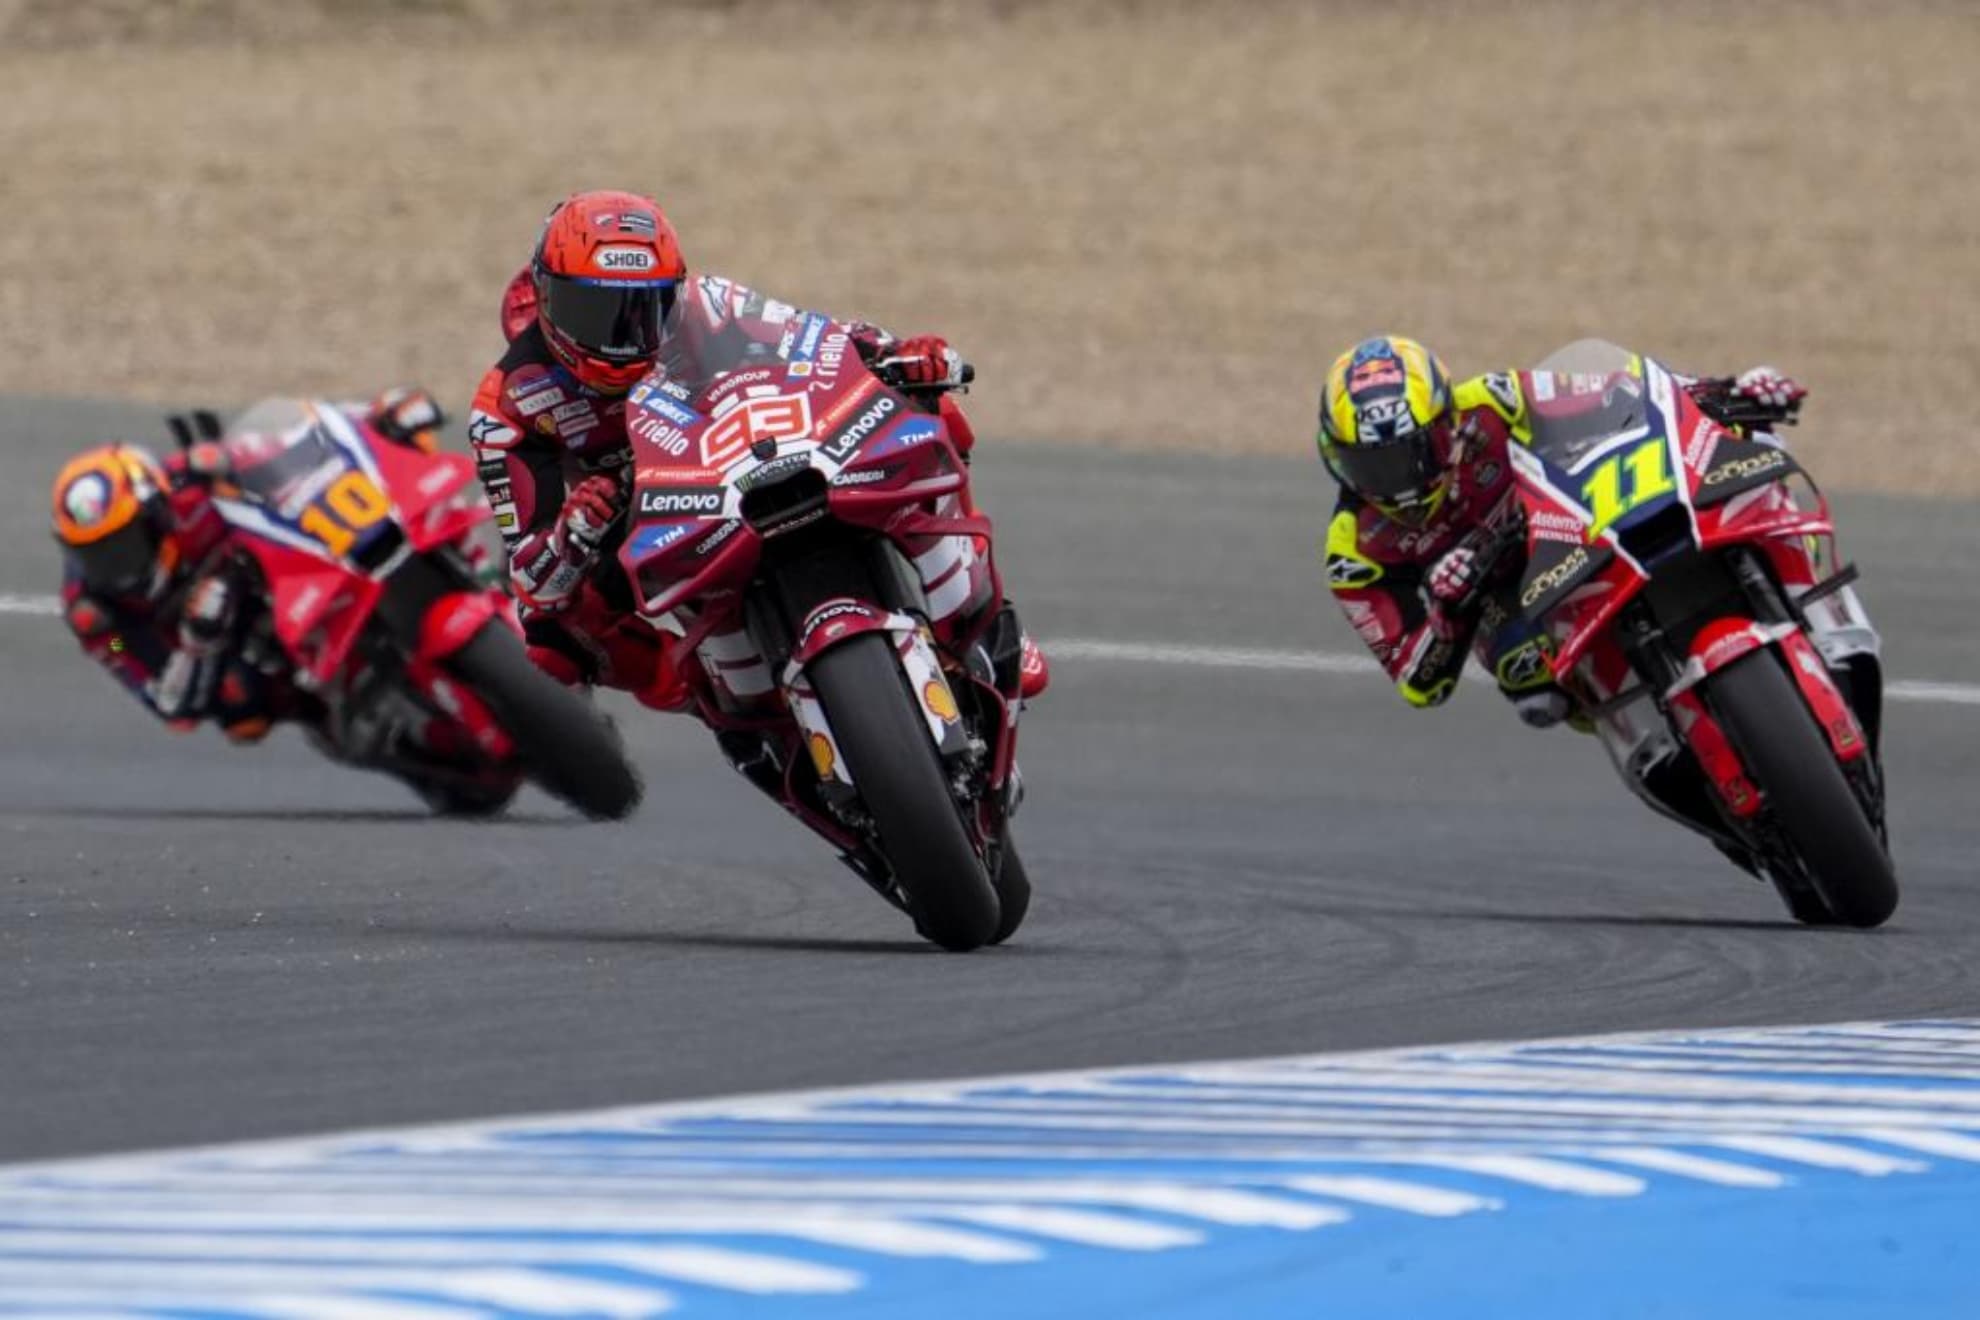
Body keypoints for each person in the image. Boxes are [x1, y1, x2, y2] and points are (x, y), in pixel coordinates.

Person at [467, 188, 1049, 711]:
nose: (621, 336)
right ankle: (703, 692)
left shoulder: (709, 302)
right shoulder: (509, 405)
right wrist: (574, 530)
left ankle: (990, 620)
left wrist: (899, 355)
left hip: (743, 451)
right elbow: (532, 579)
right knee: (550, 639)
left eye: (643, 309)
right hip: (637, 515)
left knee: (929, 403)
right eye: (593, 313)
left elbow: (817, 336)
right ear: (546, 303)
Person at [1315, 334, 1806, 724]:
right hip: (1504, 597)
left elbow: (1619, 393)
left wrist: (1726, 391)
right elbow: (1419, 684)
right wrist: (1448, 612)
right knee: (1532, 690)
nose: (1401, 482)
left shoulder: (1493, 400)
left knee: (1711, 492)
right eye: (1373, 467)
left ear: (1448, 420)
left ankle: (1802, 604)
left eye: (1414, 453)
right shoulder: (1353, 549)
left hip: (1572, 520)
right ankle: (1648, 736)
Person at [50, 390, 449, 742]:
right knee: (241, 708)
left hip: (278, 561)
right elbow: (165, 701)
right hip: (225, 641)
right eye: (94, 554)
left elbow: (287, 440)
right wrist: (196, 641)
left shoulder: (186, 479)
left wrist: (376, 415)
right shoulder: (99, 616)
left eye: (123, 546)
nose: (113, 567)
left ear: (156, 515)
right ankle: (339, 714)